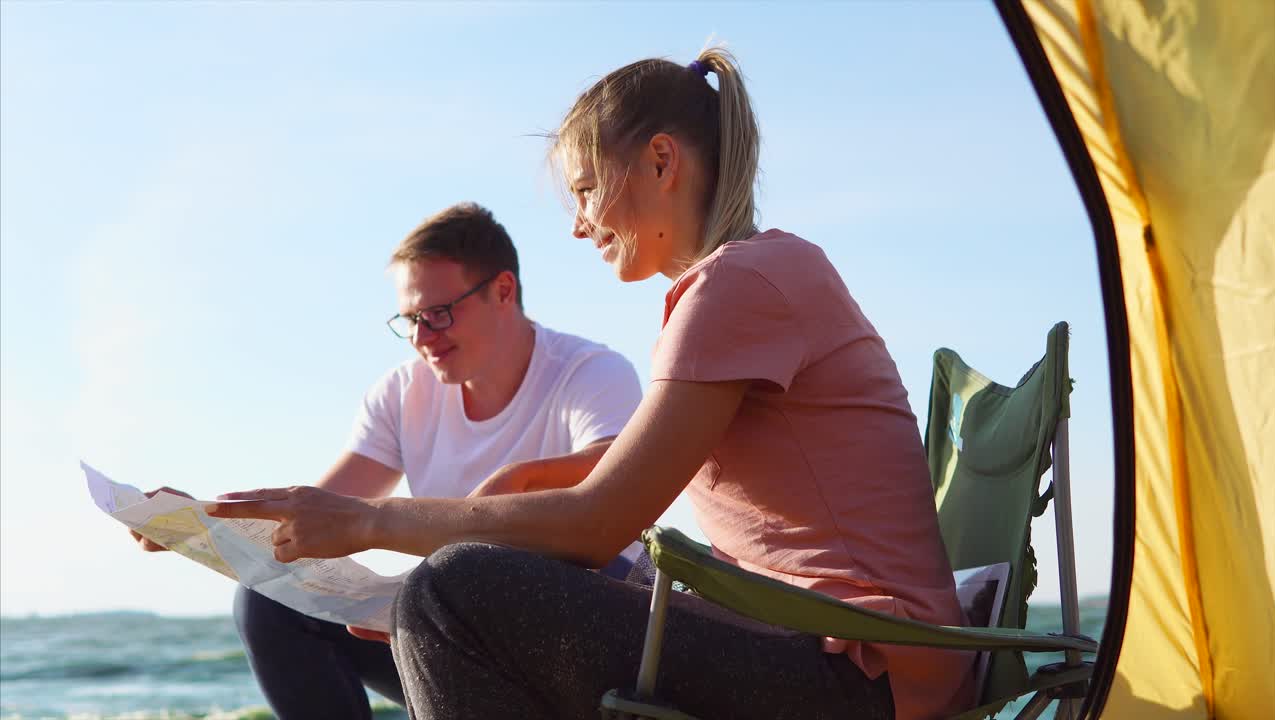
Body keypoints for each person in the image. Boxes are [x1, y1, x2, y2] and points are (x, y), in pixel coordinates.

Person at [208, 49, 975, 720]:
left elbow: (598, 521)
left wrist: (372, 524)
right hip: (827, 650)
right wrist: (501, 497)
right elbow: (615, 483)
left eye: (582, 189)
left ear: (661, 161)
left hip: (861, 678)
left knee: (453, 590)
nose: (578, 224)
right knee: (449, 591)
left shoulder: (739, 286)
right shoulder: (753, 279)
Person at [135, 202, 643, 720]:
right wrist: (202, 520)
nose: (422, 338)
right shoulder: (402, 393)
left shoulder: (590, 372)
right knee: (270, 602)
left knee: (469, 575)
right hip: (455, 625)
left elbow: (616, 473)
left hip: (579, 629)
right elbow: (318, 513)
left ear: (503, 290)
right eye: (410, 320)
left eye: (439, 314)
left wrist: (520, 479)